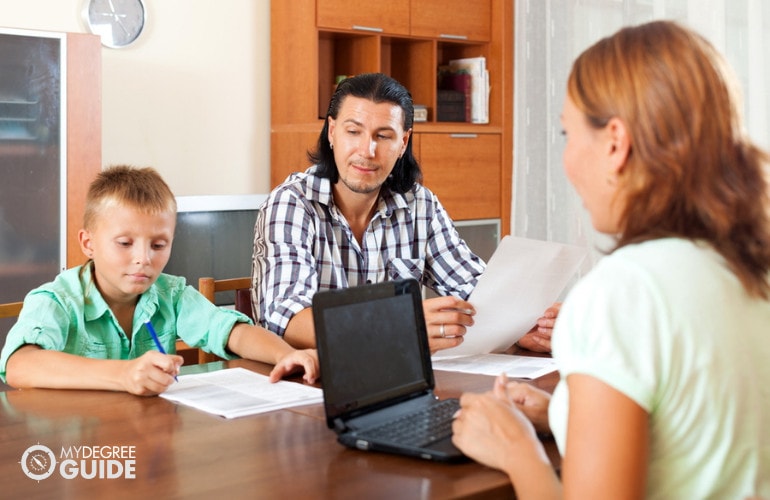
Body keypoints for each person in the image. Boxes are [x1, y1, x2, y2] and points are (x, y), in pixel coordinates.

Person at [451, 20, 770, 499]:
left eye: (568, 134)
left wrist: (517, 449)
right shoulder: (746, 268)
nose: (568, 160)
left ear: (616, 143)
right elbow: (692, 426)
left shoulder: (623, 292)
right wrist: (566, 411)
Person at [252, 72, 559, 354]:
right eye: (353, 131)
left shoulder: (419, 206)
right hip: (309, 383)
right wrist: (398, 324)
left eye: (383, 136)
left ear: (403, 142)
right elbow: (287, 319)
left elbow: (475, 290)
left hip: (396, 376)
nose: (367, 150)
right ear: (332, 132)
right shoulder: (292, 204)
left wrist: (524, 326)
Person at [0, 166, 318, 396]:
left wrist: (284, 355)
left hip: (146, 442)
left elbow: (230, 331)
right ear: (88, 243)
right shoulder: (56, 300)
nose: (144, 259)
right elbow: (19, 364)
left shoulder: (171, 294)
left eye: (158, 245)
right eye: (125, 243)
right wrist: (123, 374)